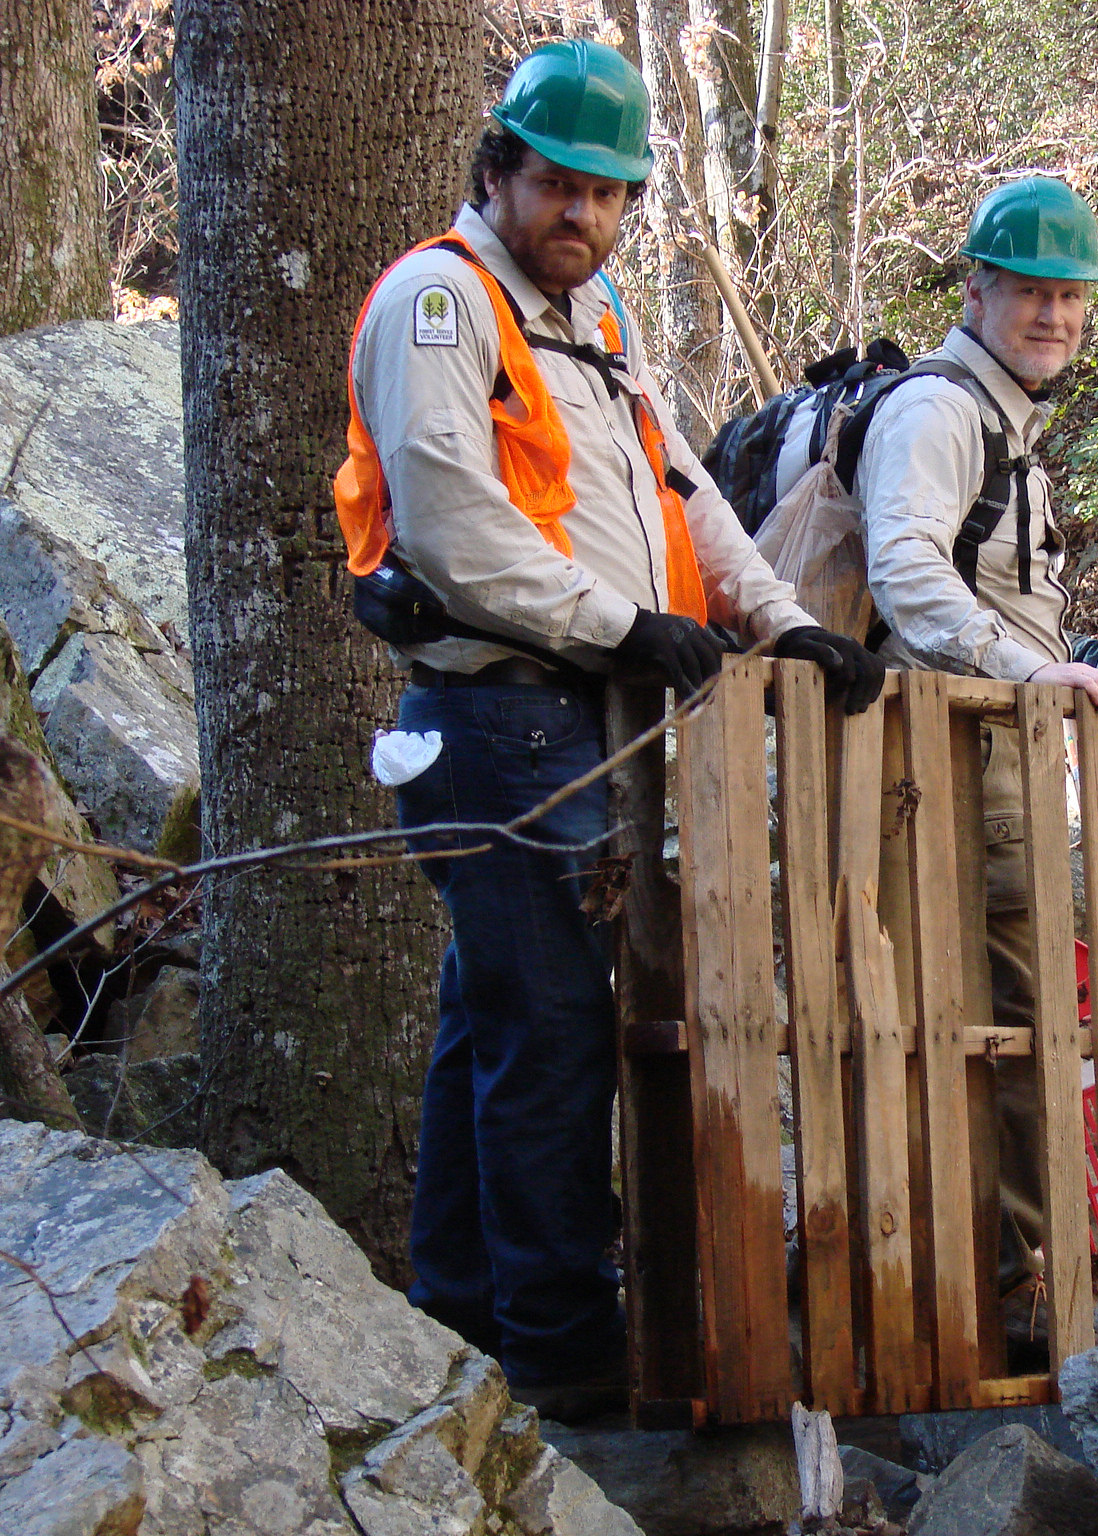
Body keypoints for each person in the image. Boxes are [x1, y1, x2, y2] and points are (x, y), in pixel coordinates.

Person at [332, 40, 881, 1422]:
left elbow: (686, 490)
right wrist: (623, 629)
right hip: (497, 715)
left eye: (608, 193)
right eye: (559, 184)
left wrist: (782, 621)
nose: (582, 214)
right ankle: (564, 1360)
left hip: (579, 717)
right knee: (559, 1029)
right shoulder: (442, 306)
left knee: (497, 1023)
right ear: (498, 172)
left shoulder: (597, 325)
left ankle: (460, 1323)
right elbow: (455, 527)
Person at [855, 176, 1098, 1251]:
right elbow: (901, 566)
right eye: (1027, 290)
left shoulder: (1003, 422)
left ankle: (999, 1251)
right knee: (1010, 1008)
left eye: (1069, 295)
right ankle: (1012, 1270)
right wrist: (1024, 669)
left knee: (1005, 999)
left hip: (983, 745)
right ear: (975, 290)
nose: (1051, 314)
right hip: (951, 750)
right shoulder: (935, 409)